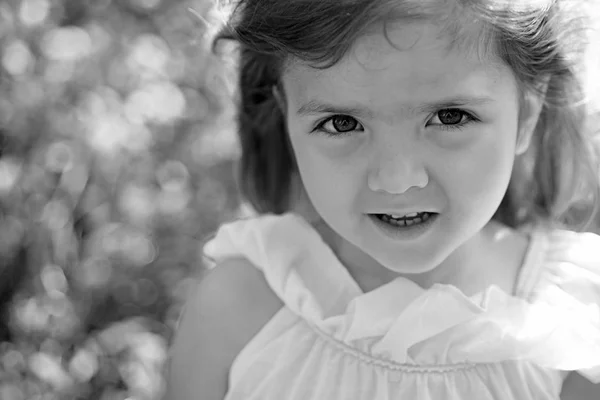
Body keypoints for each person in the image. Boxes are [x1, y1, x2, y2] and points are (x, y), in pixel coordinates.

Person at [166, 0, 600, 398]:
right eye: (340, 123)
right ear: (284, 116)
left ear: (527, 110)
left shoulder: (577, 323)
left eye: (450, 117)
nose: (396, 181)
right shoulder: (238, 311)